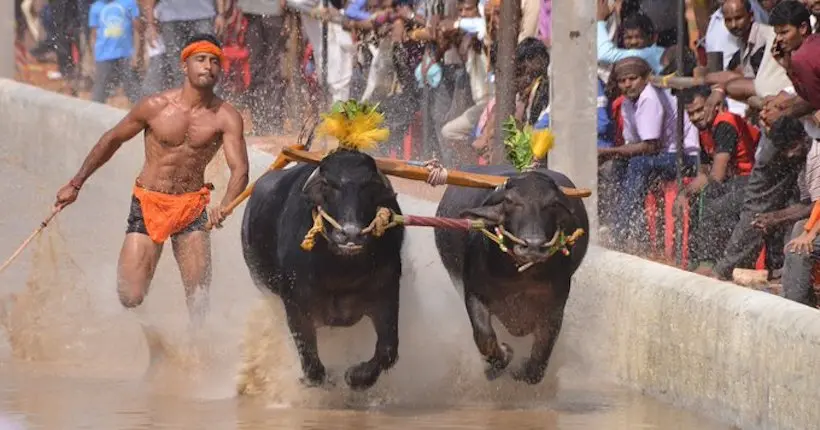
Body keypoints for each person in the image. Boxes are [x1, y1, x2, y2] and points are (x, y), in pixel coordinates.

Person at [53, 34, 250, 325]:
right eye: (201, 59)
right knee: (130, 296)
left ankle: (193, 360)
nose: (208, 66)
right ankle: (149, 337)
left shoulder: (226, 117)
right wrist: (76, 183)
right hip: (149, 202)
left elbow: (241, 170)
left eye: (214, 61)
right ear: (185, 66)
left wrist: (225, 205)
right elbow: (112, 140)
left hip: (191, 207)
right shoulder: (155, 106)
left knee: (199, 301)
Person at [679, 85, 761, 270]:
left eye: (700, 110)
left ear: (714, 105)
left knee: (714, 204)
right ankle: (696, 257)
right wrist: (685, 194)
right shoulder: (704, 129)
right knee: (695, 199)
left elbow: (716, 175)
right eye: (690, 114)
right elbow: (704, 171)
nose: (695, 117)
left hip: (750, 179)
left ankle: (710, 261)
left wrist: (695, 189)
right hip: (731, 180)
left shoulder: (724, 124)